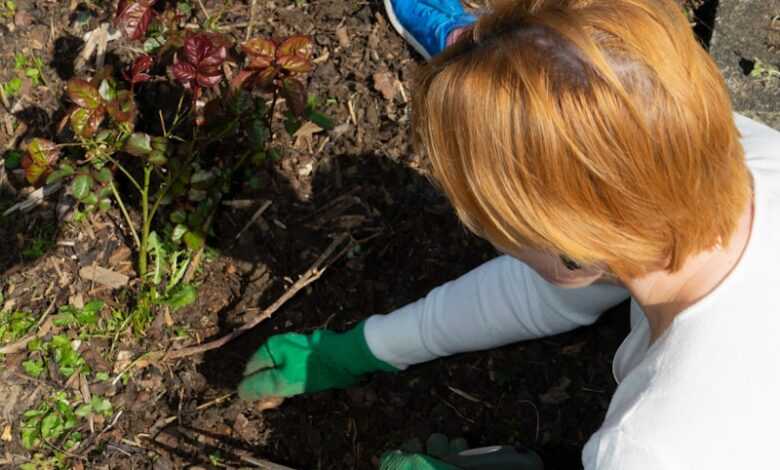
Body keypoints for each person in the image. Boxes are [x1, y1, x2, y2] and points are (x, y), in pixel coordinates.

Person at [238, 0, 780, 468]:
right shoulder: (743, 153)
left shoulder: (650, 448)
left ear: (569, 250)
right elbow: (556, 285)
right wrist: (366, 348)